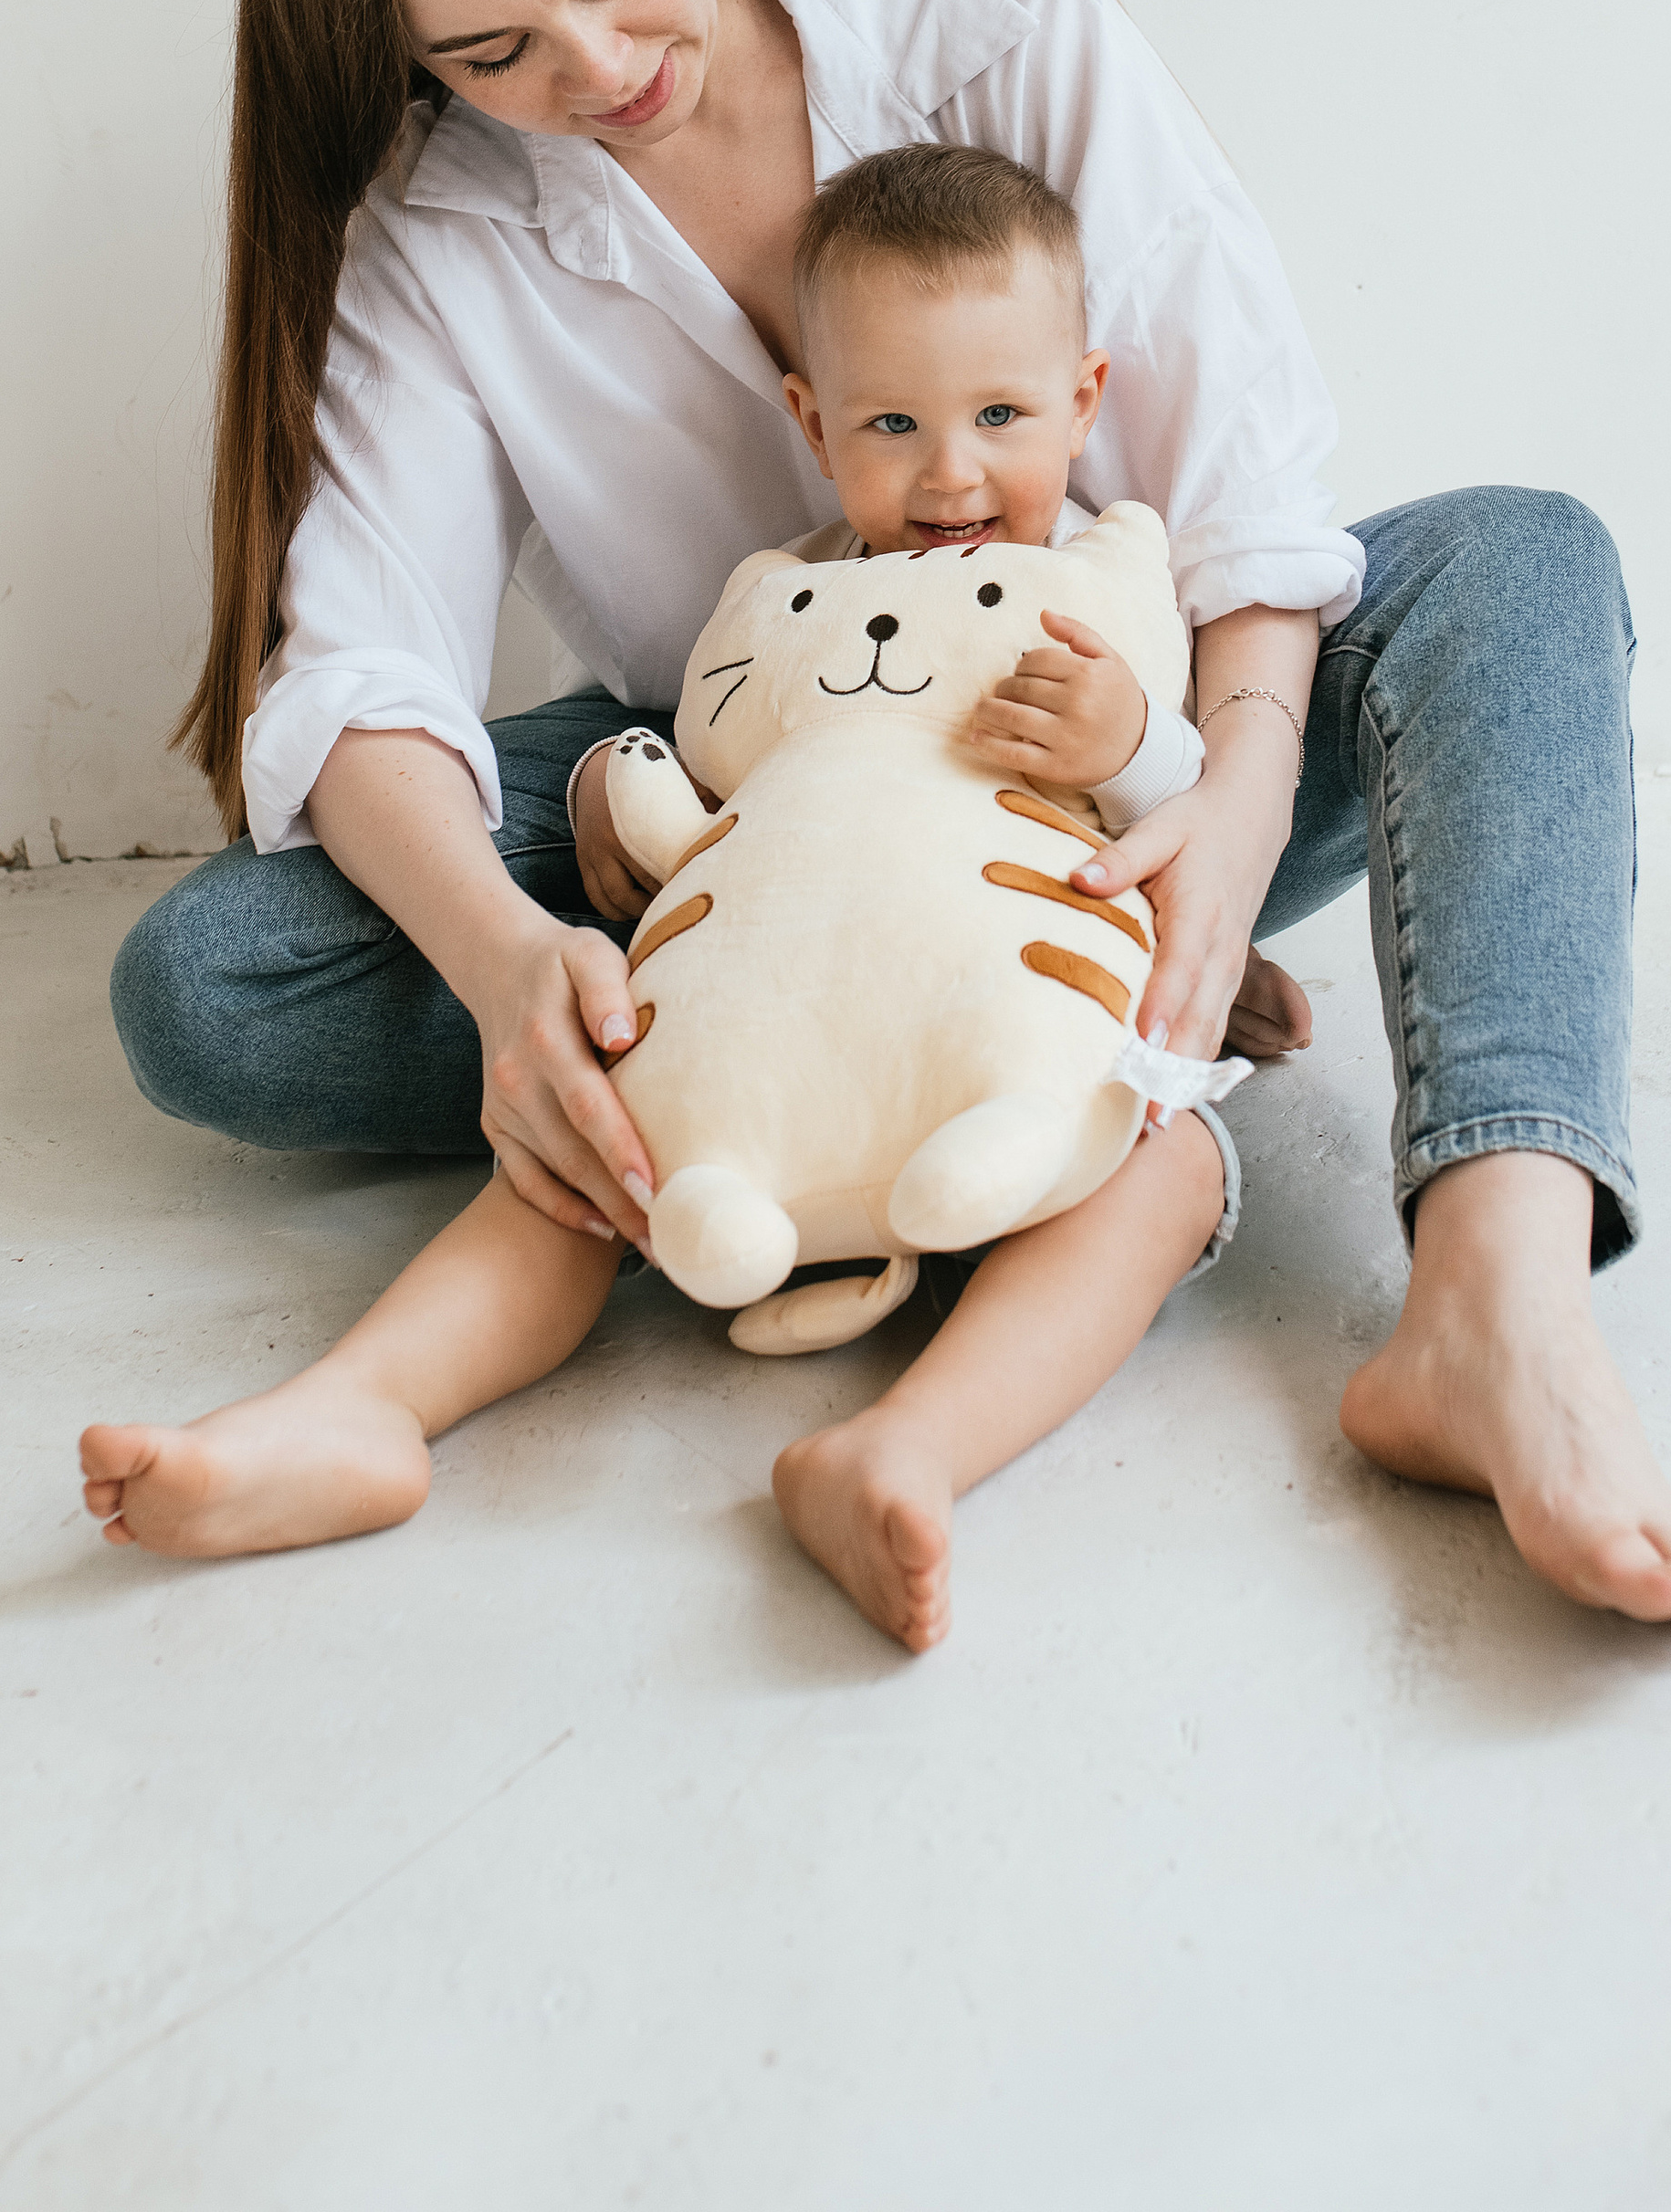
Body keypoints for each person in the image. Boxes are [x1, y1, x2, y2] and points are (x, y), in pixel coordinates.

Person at [105, 0, 1671, 1631]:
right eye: (494, 57)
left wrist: (1219, 824)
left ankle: (1491, 1307)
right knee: (210, 982)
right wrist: (513, 963)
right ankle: (779, 1052)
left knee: (1513, 559)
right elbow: (362, 675)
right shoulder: (439, 229)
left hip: (1119, 749)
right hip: (732, 795)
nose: (595, 73)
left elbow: (1244, 500)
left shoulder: (983, 15)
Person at [81, 152, 1250, 1650]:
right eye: (892, 424)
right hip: (761, 1050)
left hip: (999, 1049)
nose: (952, 475)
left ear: (1084, 400)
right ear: (814, 425)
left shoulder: (1104, 597)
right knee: (590, 1131)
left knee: (1164, 1158)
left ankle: (909, 1447)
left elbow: (1196, 815)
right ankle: (358, 1409)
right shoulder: (782, 606)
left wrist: (1137, 749)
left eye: (1000, 419)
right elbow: (708, 783)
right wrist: (612, 792)